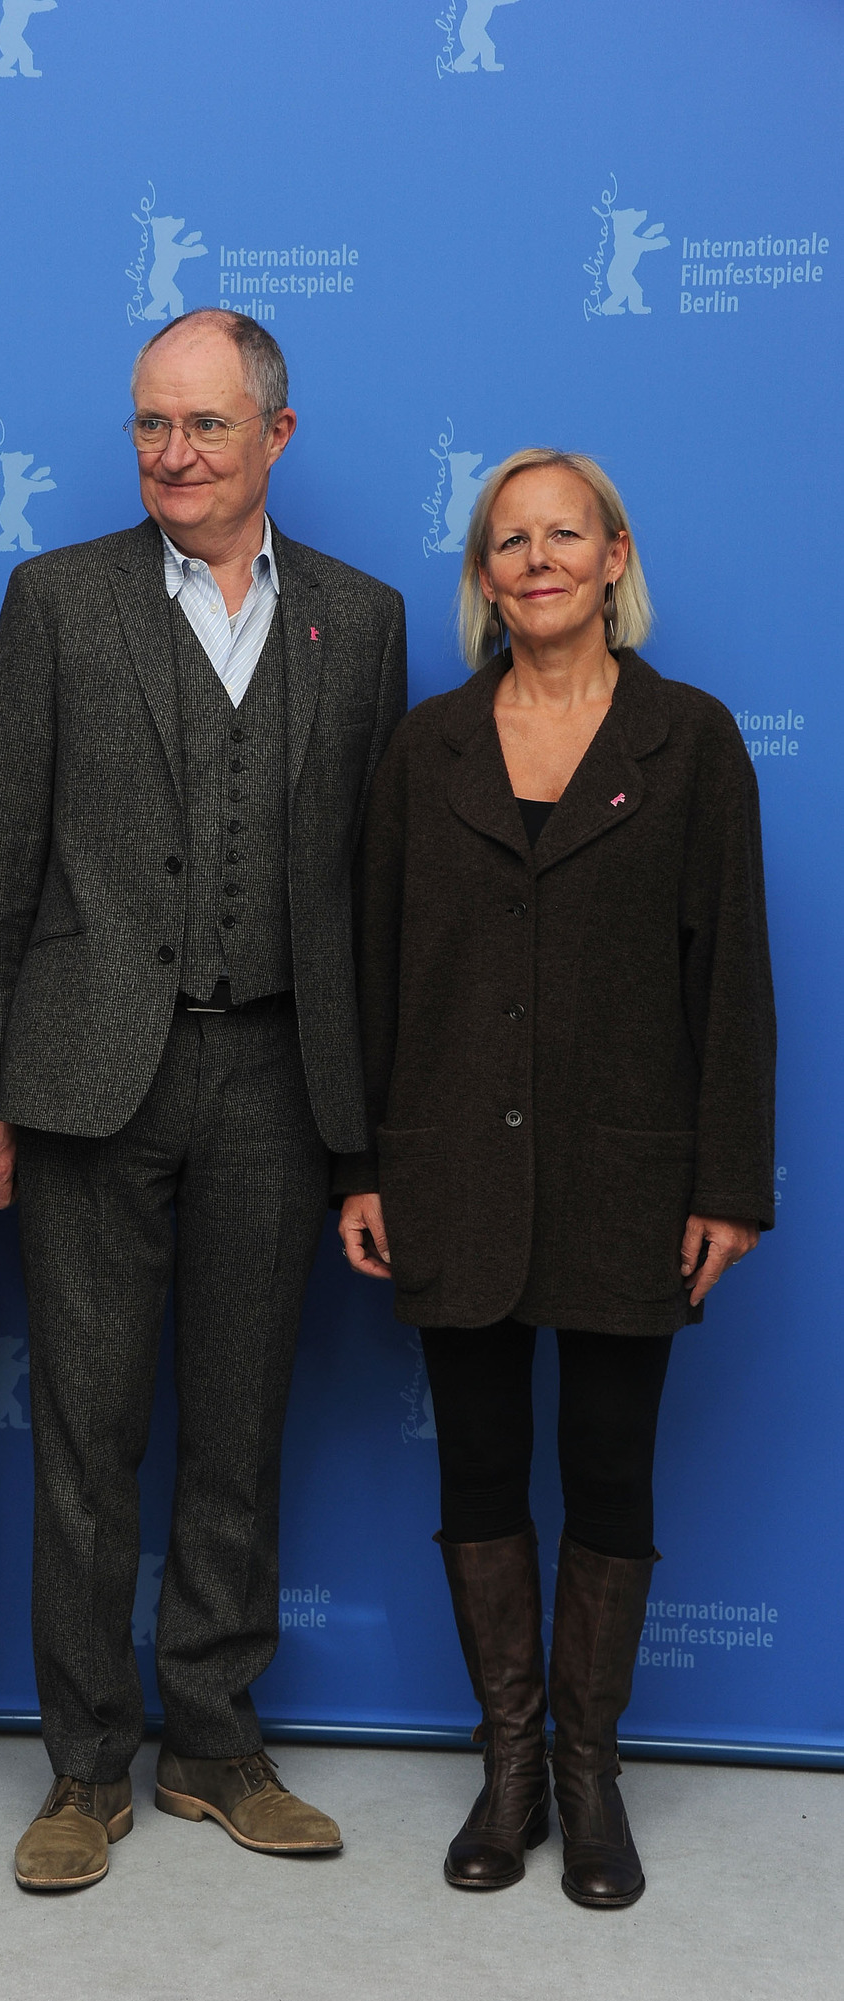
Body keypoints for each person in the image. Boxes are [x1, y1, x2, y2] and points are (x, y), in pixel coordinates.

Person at [0, 310, 406, 1890]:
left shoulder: (364, 618)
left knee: (238, 1427)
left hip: (280, 1075)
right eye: (152, 425)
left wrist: (365, 1134)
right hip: (84, 1082)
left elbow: (364, 891)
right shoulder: (56, 600)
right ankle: (85, 1771)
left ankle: (216, 1741)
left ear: (277, 436)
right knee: (85, 1437)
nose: (173, 454)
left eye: (206, 427)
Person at [338, 448, 775, 1909]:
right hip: (449, 1163)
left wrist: (729, 1184)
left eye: (562, 535)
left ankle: (590, 1780)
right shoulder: (426, 751)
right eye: (506, 540)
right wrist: (363, 1164)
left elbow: (735, 984)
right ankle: (509, 1769)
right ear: (481, 576)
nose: (535, 559)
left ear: (613, 557)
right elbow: (374, 974)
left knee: (608, 1470)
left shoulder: (693, 743)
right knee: (475, 1470)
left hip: (628, 1176)